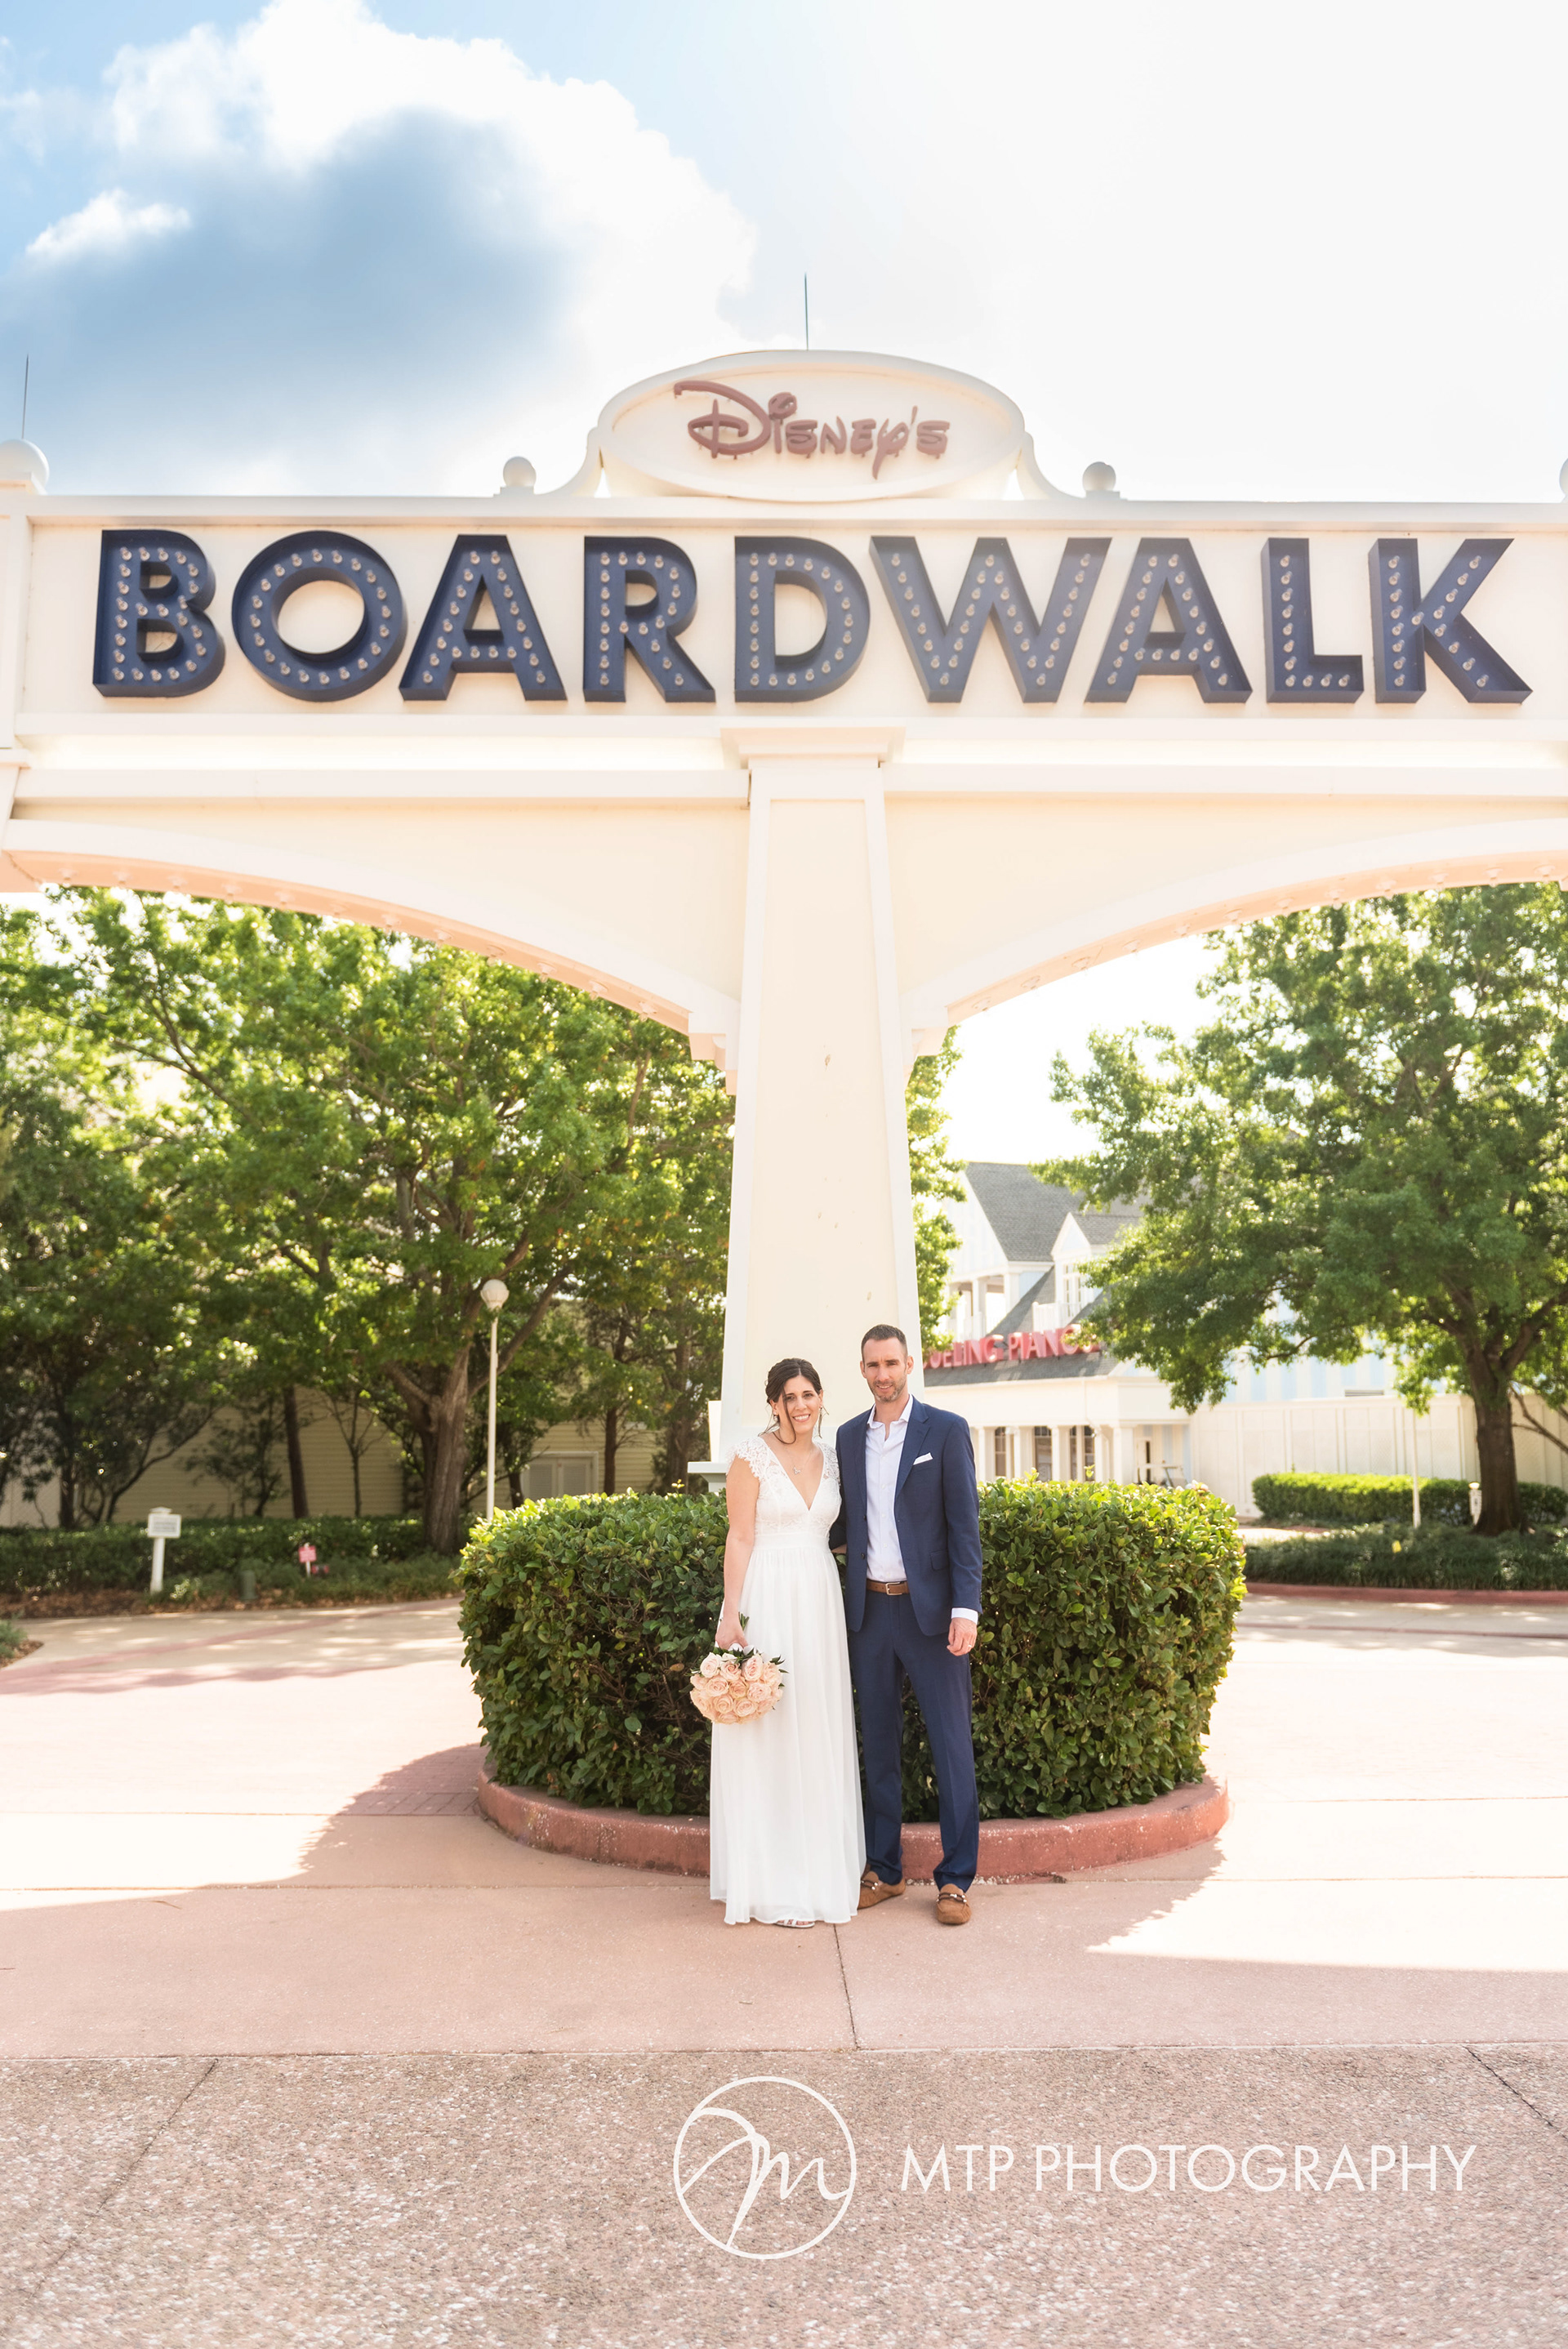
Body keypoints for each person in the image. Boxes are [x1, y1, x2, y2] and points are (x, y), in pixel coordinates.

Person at [831, 1323, 982, 1925]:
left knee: (950, 1746)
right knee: (879, 1746)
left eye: (891, 1363)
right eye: (872, 1365)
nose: (882, 1374)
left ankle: (955, 1880)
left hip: (931, 1617)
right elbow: (842, 1524)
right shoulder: (847, 1438)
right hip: (870, 1612)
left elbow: (964, 1528)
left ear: (909, 1364)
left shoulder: (944, 1431)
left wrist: (965, 1609)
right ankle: (886, 1869)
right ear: (862, 1369)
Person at [708, 1357, 866, 1928]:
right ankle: (771, 1879)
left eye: (809, 1395)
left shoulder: (835, 1460)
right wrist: (732, 1614)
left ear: (821, 1398)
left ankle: (820, 1868)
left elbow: (844, 1532)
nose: (800, 1405)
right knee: (769, 1724)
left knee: (816, 1722)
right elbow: (741, 1536)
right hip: (768, 1596)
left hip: (819, 1597)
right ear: (773, 1402)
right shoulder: (750, 1457)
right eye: (789, 1397)